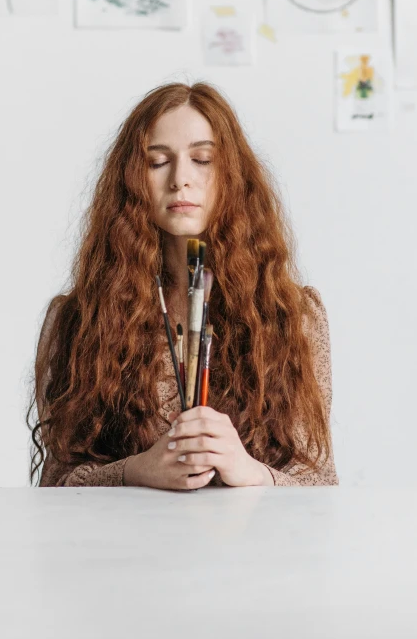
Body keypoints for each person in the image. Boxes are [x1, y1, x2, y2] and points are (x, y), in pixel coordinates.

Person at [26, 81, 339, 490]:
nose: (181, 179)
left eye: (203, 159)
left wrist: (249, 470)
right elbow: (54, 484)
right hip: (121, 551)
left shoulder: (294, 315)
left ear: (232, 174)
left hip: (253, 551)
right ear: (132, 180)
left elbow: (321, 483)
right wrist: (135, 471)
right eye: (157, 162)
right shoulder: (77, 319)